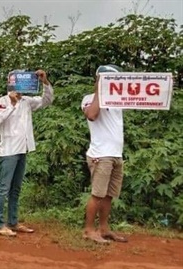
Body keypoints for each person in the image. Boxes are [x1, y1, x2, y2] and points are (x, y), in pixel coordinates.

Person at [0, 69, 53, 237]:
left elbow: (47, 100)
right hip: (9, 150)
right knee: (4, 188)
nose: (18, 85)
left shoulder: (27, 101)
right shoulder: (2, 101)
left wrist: (45, 82)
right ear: (10, 82)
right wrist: (12, 104)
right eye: (15, 81)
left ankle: (13, 221)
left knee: (16, 188)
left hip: (23, 149)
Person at [81, 65, 128, 244]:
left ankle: (104, 228)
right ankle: (88, 230)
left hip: (116, 154)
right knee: (98, 194)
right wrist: (100, 89)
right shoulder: (89, 99)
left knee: (109, 194)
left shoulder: (117, 100)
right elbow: (92, 115)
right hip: (101, 154)